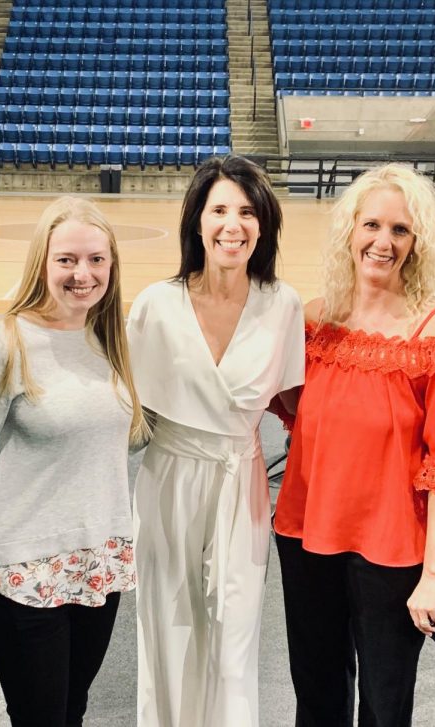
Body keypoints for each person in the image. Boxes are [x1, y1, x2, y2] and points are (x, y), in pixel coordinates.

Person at [272, 164, 435, 726]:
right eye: (372, 225)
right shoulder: (315, 318)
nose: (382, 242)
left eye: (400, 230)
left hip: (393, 547)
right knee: (315, 688)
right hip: (306, 531)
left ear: (417, 244)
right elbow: (294, 410)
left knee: (386, 703)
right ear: (349, 230)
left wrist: (434, 575)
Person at [127, 155, 304, 727]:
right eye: (219, 209)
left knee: (235, 637)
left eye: (247, 212)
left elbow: (301, 409)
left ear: (264, 224)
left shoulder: (284, 305)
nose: (233, 224)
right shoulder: (156, 304)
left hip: (241, 477)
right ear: (197, 222)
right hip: (169, 475)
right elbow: (126, 411)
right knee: (168, 629)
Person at [0, 196, 147, 727]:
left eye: (96, 260)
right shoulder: (6, 344)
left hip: (98, 561)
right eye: (66, 259)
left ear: (112, 266)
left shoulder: (110, 341)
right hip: (22, 568)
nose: (82, 274)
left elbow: (119, 438)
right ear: (42, 264)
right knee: (40, 716)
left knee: (73, 711)